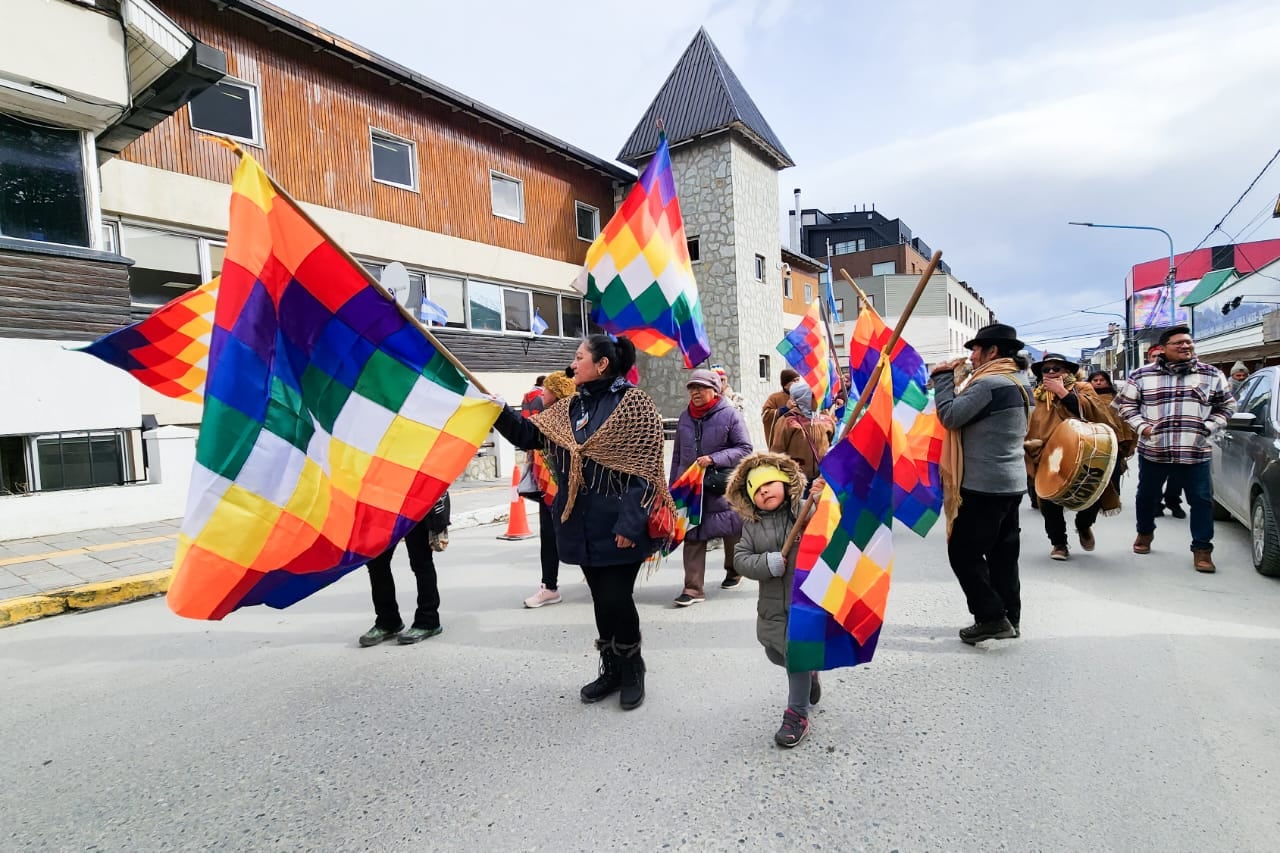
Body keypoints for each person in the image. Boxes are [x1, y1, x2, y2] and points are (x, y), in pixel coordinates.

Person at [492, 335, 669, 710]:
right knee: (600, 599)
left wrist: (629, 524)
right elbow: (530, 434)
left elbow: (644, 472)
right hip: (581, 521)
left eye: (579, 357)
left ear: (601, 364)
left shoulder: (633, 405)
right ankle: (611, 668)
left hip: (621, 521)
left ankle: (632, 666)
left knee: (616, 597)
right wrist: (497, 411)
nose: (573, 365)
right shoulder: (569, 406)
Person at [931, 323, 1030, 644]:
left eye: (976, 349)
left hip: (984, 485)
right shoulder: (1018, 380)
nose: (971, 356)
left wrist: (943, 378)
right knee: (1003, 555)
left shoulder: (989, 384)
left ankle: (990, 617)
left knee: (963, 553)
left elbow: (949, 416)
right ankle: (1009, 616)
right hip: (1010, 482)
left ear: (993, 352)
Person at [1114, 325, 1236, 572]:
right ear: (1163, 348)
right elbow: (1125, 406)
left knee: (1201, 500)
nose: (1185, 346)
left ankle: (1202, 549)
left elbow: (1228, 406)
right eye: (1178, 343)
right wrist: (1143, 428)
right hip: (1155, 450)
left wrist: (1210, 426)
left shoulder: (1211, 374)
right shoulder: (1141, 375)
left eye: (1188, 342)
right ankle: (1145, 533)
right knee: (1146, 497)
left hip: (1195, 450)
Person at [728, 452, 821, 748]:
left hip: (805, 601)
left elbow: (829, 522)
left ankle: (797, 715)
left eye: (769, 483)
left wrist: (820, 498)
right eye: (756, 488)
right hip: (772, 606)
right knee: (775, 653)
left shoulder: (802, 510)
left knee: (795, 656)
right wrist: (766, 564)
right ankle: (810, 674)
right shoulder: (752, 527)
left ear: (786, 482)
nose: (764, 490)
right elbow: (740, 559)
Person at [669, 368, 753, 605]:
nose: (695, 392)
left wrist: (714, 459)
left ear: (714, 391)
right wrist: (673, 487)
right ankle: (693, 589)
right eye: (692, 388)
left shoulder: (730, 415)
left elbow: (745, 448)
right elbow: (677, 454)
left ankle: (734, 571)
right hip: (691, 489)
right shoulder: (685, 416)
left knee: (730, 531)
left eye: (701, 388)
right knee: (693, 534)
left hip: (720, 485)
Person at [1023, 354, 1116, 561]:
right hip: (1050, 455)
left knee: (1093, 495)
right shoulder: (1037, 396)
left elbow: (1096, 414)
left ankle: (1083, 525)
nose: (1051, 373)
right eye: (1046, 370)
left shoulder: (1084, 388)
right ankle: (1059, 543)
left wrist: (1063, 393)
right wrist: (1031, 445)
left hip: (1084, 452)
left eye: (1056, 368)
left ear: (1068, 371)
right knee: (1049, 501)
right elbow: (1031, 426)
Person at [358, 491, 451, 647]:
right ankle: (387, 621)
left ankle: (428, 621)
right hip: (383, 502)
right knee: (376, 563)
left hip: (415, 500)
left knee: (420, 562)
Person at [521, 370, 577, 608]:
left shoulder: (575, 420)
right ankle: (549, 586)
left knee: (581, 535)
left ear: (556, 394)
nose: (541, 393)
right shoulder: (542, 419)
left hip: (576, 490)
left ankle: (602, 580)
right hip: (549, 489)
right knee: (548, 537)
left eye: (547, 390)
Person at [768, 382, 835, 483]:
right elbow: (776, 453)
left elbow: (831, 446)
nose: (818, 399)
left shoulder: (826, 420)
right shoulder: (787, 422)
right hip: (796, 481)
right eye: (813, 396)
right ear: (804, 398)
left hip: (822, 479)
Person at [761, 369, 800, 440]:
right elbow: (765, 415)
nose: (798, 383)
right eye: (794, 381)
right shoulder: (774, 398)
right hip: (782, 440)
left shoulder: (804, 396)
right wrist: (785, 408)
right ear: (785, 385)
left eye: (798, 380)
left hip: (800, 440)